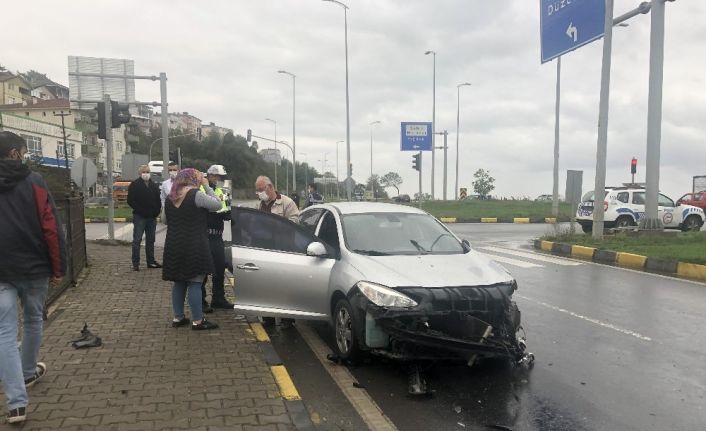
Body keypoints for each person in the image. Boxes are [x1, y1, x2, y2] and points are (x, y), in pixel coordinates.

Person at [0, 131, 66, 424]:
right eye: (24, 151)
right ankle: (28, 373)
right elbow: (51, 228)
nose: (26, 156)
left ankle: (16, 404)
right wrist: (57, 266)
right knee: (33, 319)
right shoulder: (35, 182)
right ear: (14, 152)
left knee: (4, 332)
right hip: (35, 265)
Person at [162, 168, 223, 330]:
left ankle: (178, 317)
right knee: (195, 282)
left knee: (179, 282)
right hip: (194, 244)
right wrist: (207, 185)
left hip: (174, 245)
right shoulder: (196, 194)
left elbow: (164, 220)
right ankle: (198, 320)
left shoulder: (171, 197)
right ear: (193, 179)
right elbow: (217, 204)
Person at [254, 176, 299, 326]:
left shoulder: (287, 203)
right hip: (264, 251)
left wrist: (275, 226)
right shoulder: (259, 205)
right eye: (257, 190)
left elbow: (294, 224)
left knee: (284, 285)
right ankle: (268, 316)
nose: (259, 193)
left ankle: (287, 318)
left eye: (261, 190)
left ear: (270, 187)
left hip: (283, 251)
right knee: (266, 284)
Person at [200, 165, 233, 311]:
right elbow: (206, 209)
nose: (220, 180)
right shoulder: (201, 189)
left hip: (217, 236)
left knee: (219, 268)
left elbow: (224, 210)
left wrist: (230, 213)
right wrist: (217, 211)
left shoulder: (220, 190)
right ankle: (201, 301)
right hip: (205, 235)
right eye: (218, 177)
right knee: (204, 270)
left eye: (221, 177)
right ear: (211, 176)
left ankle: (218, 298)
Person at [127, 165, 162, 271]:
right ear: (139, 173)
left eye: (147, 172)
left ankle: (151, 262)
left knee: (151, 240)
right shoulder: (134, 185)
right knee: (137, 240)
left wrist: (156, 211)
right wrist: (140, 210)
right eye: (144, 172)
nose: (146, 174)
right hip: (140, 217)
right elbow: (130, 200)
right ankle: (135, 263)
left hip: (152, 217)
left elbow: (158, 200)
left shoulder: (154, 185)